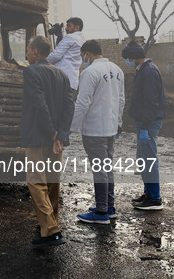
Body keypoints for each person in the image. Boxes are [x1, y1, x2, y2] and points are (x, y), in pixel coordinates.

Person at [21, 36, 74, 248]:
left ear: (35, 52)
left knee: (36, 181)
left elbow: (39, 104)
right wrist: (61, 135)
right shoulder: (62, 74)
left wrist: (52, 133)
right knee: (52, 182)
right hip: (56, 139)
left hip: (38, 136)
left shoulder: (31, 72)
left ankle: (50, 230)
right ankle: (49, 224)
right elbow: (69, 106)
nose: (26, 54)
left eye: (27, 50)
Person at [71, 40, 125, 224]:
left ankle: (101, 212)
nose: (82, 60)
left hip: (94, 130)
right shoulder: (117, 70)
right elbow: (121, 100)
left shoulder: (89, 72)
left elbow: (82, 102)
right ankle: (108, 207)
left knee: (99, 170)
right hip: (110, 128)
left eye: (82, 56)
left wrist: (71, 127)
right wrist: (118, 123)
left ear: (87, 53)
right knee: (107, 167)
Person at [122, 41, 167, 210]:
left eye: (126, 58)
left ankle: (155, 199)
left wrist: (146, 128)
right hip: (145, 121)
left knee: (149, 158)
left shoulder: (148, 71)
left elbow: (151, 102)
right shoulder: (144, 70)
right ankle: (148, 193)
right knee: (143, 159)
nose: (126, 61)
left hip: (149, 121)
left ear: (132, 57)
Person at [47, 17, 86, 95]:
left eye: (69, 26)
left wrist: (43, 61)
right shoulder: (82, 39)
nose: (66, 28)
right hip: (72, 80)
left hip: (61, 78)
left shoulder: (70, 37)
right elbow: (67, 53)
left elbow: (56, 56)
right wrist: (60, 38)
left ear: (77, 27)